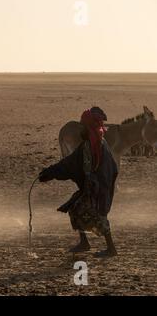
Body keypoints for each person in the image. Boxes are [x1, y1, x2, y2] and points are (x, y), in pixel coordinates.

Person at [39, 107, 118, 257]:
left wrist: (97, 184)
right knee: (75, 209)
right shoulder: (93, 142)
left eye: (83, 125)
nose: (81, 128)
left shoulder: (96, 144)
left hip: (98, 188)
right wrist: (50, 172)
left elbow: (74, 163)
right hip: (95, 187)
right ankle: (85, 243)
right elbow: (72, 162)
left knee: (97, 214)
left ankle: (111, 249)